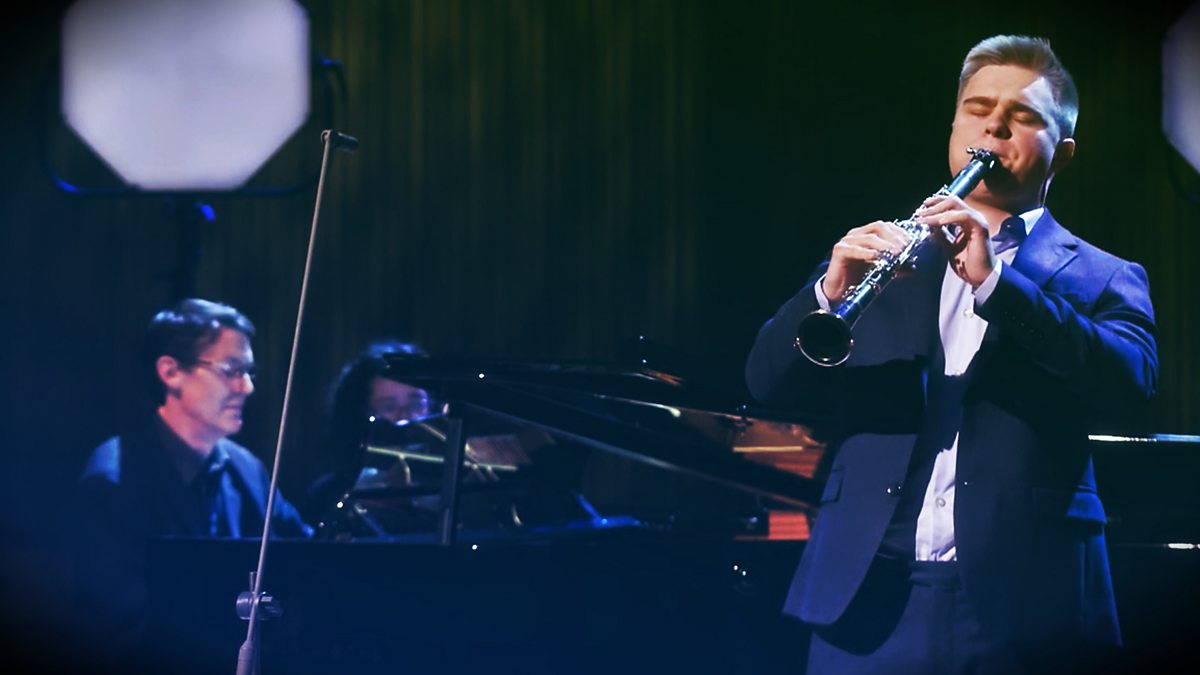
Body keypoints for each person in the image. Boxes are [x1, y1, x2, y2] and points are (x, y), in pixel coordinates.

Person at [745, 35, 1157, 673]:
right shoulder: (882, 257)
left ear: (1062, 153)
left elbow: (1130, 390)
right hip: (864, 600)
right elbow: (765, 383)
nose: (994, 126)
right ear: (955, 128)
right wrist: (827, 294)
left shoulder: (1105, 275)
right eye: (978, 109)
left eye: (1022, 116)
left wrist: (997, 285)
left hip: (1027, 607)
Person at [72, 298, 312, 663]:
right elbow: (120, 625)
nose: (247, 387)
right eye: (232, 370)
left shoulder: (247, 468)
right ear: (171, 372)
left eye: (249, 372)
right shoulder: (113, 479)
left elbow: (303, 554)